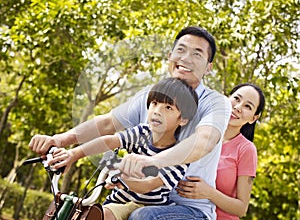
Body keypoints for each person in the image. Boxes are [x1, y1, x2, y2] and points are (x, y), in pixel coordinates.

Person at [29, 26, 232, 219]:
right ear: (170, 56)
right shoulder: (151, 96)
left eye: (197, 54)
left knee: (141, 216)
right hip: (129, 197)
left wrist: (151, 162)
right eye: (181, 50)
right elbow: (108, 124)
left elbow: (204, 141)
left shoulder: (216, 102)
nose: (186, 58)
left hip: (188, 209)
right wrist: (61, 142)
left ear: (208, 68)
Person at [48, 77, 198, 220]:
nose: (157, 111)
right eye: (154, 103)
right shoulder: (141, 133)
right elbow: (111, 140)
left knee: (106, 214)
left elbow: (149, 185)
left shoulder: (179, 155)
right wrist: (73, 154)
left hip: (149, 208)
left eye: (168, 107)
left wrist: (123, 180)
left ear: (183, 119)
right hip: (117, 202)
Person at [174, 83, 265, 220]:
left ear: (253, 118)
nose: (238, 107)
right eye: (237, 99)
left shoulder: (246, 149)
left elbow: (241, 209)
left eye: (248, 106)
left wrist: (209, 193)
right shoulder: (199, 131)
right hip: (178, 209)